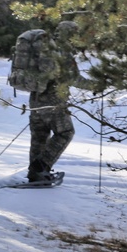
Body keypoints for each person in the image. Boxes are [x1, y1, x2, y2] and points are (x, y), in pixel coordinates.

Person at [26, 20, 90, 182]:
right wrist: (97, 85)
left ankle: (35, 174)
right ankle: (40, 167)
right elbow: (74, 79)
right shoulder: (63, 53)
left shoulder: (43, 48)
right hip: (54, 101)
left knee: (39, 136)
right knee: (65, 132)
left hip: (35, 99)